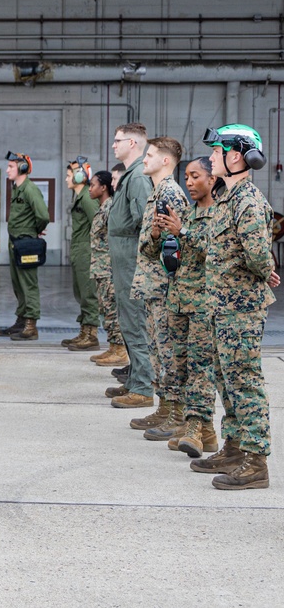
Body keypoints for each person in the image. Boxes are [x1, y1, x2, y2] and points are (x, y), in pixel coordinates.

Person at [184, 124, 279, 489]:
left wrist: (265, 270)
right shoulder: (227, 198)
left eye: (216, 152)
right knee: (226, 379)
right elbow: (221, 247)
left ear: (235, 156)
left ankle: (256, 463)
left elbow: (257, 256)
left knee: (244, 382)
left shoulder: (249, 202)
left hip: (240, 308)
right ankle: (236, 448)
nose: (211, 158)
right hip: (221, 306)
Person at [148, 157, 221, 458]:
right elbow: (160, 252)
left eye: (195, 176)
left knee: (201, 369)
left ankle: (194, 428)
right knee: (180, 369)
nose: (189, 182)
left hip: (205, 303)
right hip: (177, 301)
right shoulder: (186, 213)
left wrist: (183, 232)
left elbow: (217, 252)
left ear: (212, 179)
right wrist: (157, 233)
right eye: (187, 177)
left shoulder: (220, 214)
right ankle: (208, 433)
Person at [128, 137, 189, 434]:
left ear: (165, 160)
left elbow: (176, 248)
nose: (144, 159)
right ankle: (164, 408)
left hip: (165, 288)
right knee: (157, 352)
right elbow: (156, 244)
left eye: (150, 155)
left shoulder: (171, 194)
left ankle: (177, 416)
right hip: (153, 288)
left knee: (169, 354)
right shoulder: (157, 193)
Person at [105, 123, 154, 406]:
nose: (114, 145)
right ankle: (135, 379)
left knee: (135, 322)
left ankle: (143, 388)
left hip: (132, 261)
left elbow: (145, 223)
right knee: (127, 320)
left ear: (133, 144)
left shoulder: (137, 178)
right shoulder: (131, 176)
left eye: (118, 140)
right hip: (124, 260)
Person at [0, 152, 49, 341]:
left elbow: (43, 215)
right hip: (16, 243)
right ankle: (21, 320)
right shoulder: (17, 189)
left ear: (23, 168)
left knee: (28, 284)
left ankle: (31, 325)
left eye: (11, 166)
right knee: (18, 284)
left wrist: (34, 231)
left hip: (26, 243)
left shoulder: (29, 189)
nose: (7, 170)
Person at [86, 171, 128, 370]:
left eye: (93, 185)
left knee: (112, 309)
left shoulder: (111, 207)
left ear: (103, 187)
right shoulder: (102, 207)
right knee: (105, 308)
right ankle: (113, 346)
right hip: (100, 268)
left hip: (109, 268)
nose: (90, 188)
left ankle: (120, 350)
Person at [61, 157, 100, 351]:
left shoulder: (86, 198)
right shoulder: (80, 197)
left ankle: (91, 336)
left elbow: (98, 223)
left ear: (79, 176)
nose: (66, 179)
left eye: (69, 175)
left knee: (88, 293)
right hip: (79, 250)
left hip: (86, 250)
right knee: (81, 293)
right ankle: (84, 331)